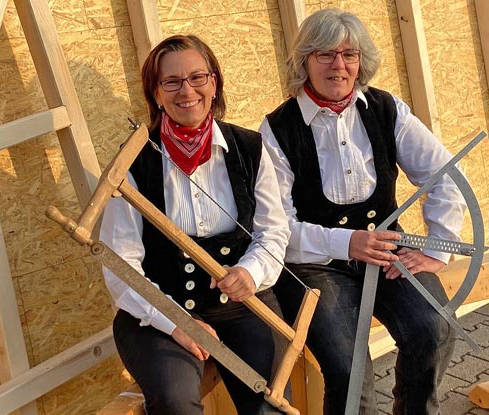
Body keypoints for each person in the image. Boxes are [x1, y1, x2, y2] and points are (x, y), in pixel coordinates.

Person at [259, 8, 465, 415]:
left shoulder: (387, 110)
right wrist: (347, 242)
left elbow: (445, 176)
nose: (339, 65)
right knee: (349, 370)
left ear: (360, 61)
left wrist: (436, 249)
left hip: (386, 252)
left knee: (435, 328)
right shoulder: (277, 130)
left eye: (349, 54)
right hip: (315, 264)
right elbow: (277, 227)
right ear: (304, 61)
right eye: (325, 54)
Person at [100, 34, 291, 415]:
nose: (187, 91)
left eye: (197, 78)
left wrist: (250, 272)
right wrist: (175, 321)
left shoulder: (250, 148)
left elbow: (273, 231)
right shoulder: (134, 161)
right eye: (171, 82)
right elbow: (120, 263)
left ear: (214, 83)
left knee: (266, 403)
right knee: (176, 404)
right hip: (158, 314)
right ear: (155, 93)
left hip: (242, 306)